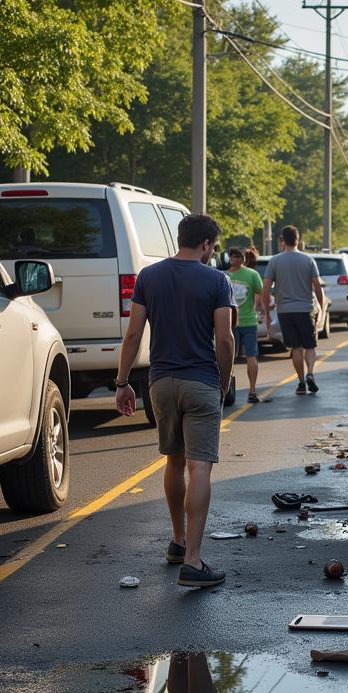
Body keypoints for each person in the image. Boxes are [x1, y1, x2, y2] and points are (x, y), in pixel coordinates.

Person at [115, 214, 234, 589]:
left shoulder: (148, 277)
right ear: (206, 245)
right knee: (200, 468)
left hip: (159, 383)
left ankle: (178, 542)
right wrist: (224, 382)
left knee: (173, 461)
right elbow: (226, 339)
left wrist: (121, 382)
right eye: (212, 246)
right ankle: (194, 562)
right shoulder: (217, 280)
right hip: (200, 382)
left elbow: (133, 334)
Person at [262, 226, 325, 395]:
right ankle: (311, 372)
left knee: (296, 348)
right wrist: (322, 306)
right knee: (310, 346)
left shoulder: (275, 261)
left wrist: (267, 312)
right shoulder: (308, 260)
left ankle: (301, 382)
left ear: (282, 240)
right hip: (305, 309)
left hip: (285, 311)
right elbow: (317, 286)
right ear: (298, 239)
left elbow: (266, 288)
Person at [226, 247, 265, 404]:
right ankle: (250, 391)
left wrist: (258, 310)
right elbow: (259, 296)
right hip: (240, 321)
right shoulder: (250, 274)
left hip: (237, 322)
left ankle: (235, 389)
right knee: (248, 356)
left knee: (231, 357)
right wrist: (259, 310)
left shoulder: (225, 275)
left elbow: (259, 296)